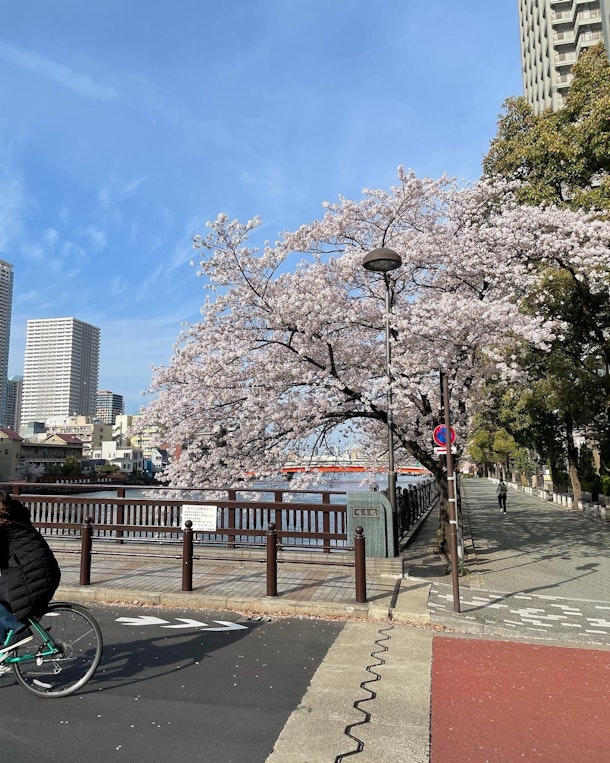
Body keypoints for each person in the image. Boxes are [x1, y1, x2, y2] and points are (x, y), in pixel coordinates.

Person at [0, 490, 61, 653]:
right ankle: (4, 650)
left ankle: (19, 630)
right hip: (45, 573)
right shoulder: (16, 519)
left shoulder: (4, 525)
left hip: (32, 577)